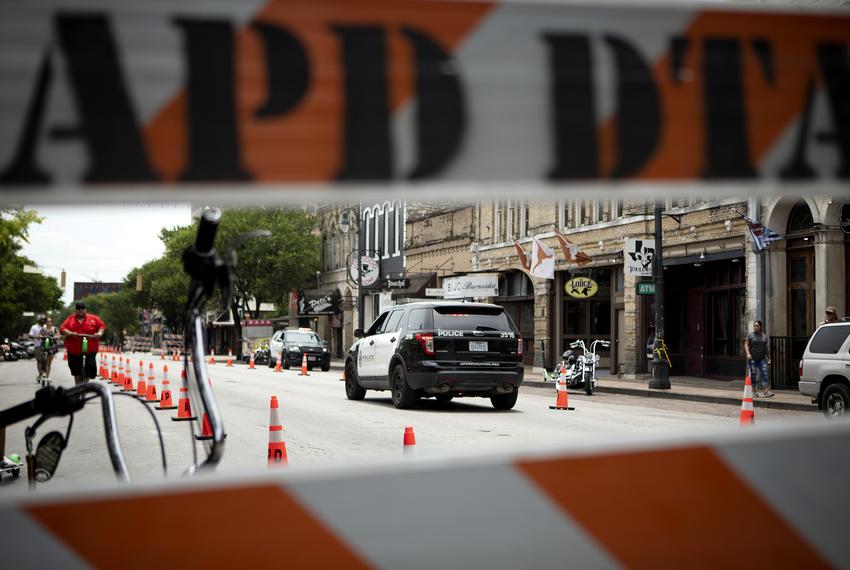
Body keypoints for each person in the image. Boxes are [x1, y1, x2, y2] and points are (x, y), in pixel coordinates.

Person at [60, 302, 106, 386]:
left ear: (86, 309)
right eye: (78, 309)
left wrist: (99, 333)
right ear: (76, 310)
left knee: (89, 367)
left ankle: (84, 386)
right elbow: (63, 328)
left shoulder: (94, 318)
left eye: (82, 308)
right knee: (76, 370)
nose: (80, 310)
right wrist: (70, 333)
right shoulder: (70, 319)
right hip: (73, 349)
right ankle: (78, 387)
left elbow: (102, 326)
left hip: (90, 348)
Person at [744, 320, 773, 398]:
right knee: (753, 374)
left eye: (757, 326)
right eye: (754, 326)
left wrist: (769, 358)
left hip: (762, 359)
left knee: (764, 373)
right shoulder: (749, 335)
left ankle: (766, 391)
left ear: (760, 327)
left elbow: (766, 348)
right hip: (752, 359)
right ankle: (754, 391)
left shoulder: (764, 336)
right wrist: (748, 354)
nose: (756, 327)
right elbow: (746, 345)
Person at [38, 317, 60, 383]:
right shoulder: (43, 329)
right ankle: (42, 374)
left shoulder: (55, 329)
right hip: (44, 347)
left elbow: (58, 336)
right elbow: (39, 335)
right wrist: (40, 336)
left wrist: (55, 337)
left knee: (49, 363)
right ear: (46, 322)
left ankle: (47, 377)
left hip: (52, 347)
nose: (49, 322)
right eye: (47, 321)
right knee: (43, 361)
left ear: (52, 322)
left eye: (50, 321)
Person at [28, 314, 46, 382]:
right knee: (39, 360)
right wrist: (37, 337)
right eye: (42, 319)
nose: (43, 320)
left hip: (46, 345)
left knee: (45, 360)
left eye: (44, 319)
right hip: (37, 345)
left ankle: (45, 374)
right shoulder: (34, 327)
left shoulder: (46, 326)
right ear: (38, 320)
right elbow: (30, 335)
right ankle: (40, 374)